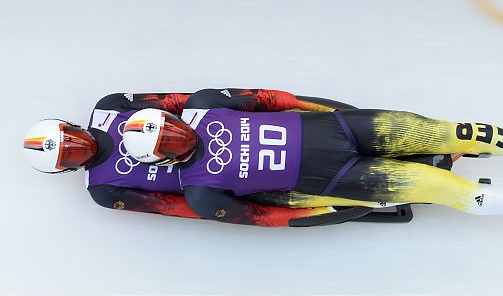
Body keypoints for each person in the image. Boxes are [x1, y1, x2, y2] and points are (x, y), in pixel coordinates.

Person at [123, 88, 503, 227]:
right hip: (344, 176)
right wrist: (331, 210)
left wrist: (332, 111)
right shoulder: (201, 191)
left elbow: (276, 99)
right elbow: (270, 215)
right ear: (163, 162)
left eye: (172, 127)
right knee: (445, 191)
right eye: (169, 144)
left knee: (459, 131)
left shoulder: (209, 104)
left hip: (346, 127)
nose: (179, 136)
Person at [22, 90, 357, 225]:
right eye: (74, 155)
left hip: (236, 135)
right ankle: (340, 202)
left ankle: (323, 116)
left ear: (75, 126)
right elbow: (179, 208)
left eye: (76, 140)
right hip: (235, 181)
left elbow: (179, 102)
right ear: (66, 170)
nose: (85, 149)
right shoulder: (103, 190)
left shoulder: (112, 106)